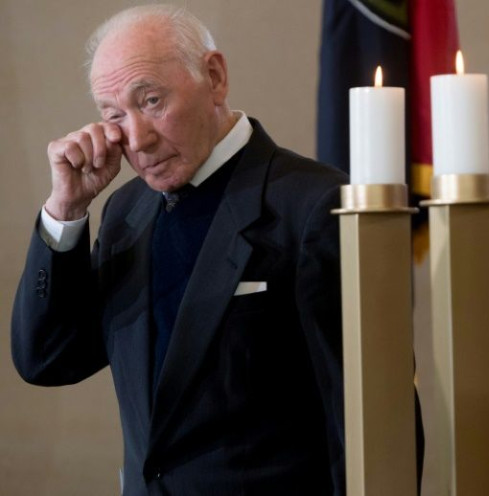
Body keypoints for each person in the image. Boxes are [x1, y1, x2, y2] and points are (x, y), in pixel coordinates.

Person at [11, 5, 347, 495]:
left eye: (150, 101)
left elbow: (365, 413)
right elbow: (47, 360)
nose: (138, 140)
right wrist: (66, 211)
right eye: (114, 116)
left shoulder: (315, 203)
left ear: (214, 76)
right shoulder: (126, 211)